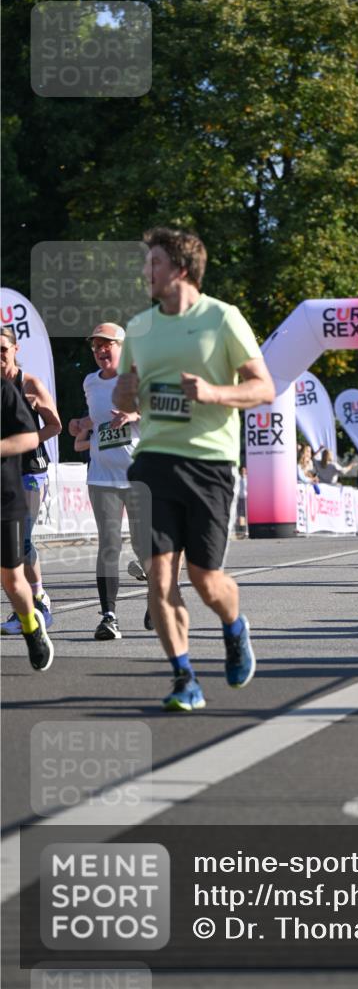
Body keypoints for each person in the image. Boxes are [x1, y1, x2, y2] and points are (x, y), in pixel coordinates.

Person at [113, 226, 275, 712]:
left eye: (155, 262)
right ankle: (184, 677)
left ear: (180, 269)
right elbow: (122, 392)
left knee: (206, 578)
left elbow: (263, 387)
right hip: (153, 461)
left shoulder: (223, 319)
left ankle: (234, 627)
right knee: (159, 579)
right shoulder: (139, 327)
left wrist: (214, 394)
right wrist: (127, 390)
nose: (146, 271)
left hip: (210, 463)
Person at [69, 322, 148, 640]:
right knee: (109, 546)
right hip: (101, 474)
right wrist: (80, 423)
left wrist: (134, 415)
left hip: (139, 475)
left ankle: (155, 601)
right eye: (96, 346)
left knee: (146, 546)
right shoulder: (90, 382)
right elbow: (97, 418)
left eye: (107, 344)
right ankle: (108, 617)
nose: (101, 350)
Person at [1, 325, 61, 635]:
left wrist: (27, 439)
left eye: (3, 350)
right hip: (4, 471)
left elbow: (56, 426)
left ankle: (39, 600)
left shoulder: (30, 384)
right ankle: (22, 606)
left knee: (22, 540)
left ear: (15, 350)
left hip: (31, 471)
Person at [1, 378, 54, 670]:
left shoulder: (19, 386)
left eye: (3, 350)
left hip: (23, 478)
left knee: (20, 549)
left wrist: (12, 445)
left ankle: (36, 608)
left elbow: (49, 428)